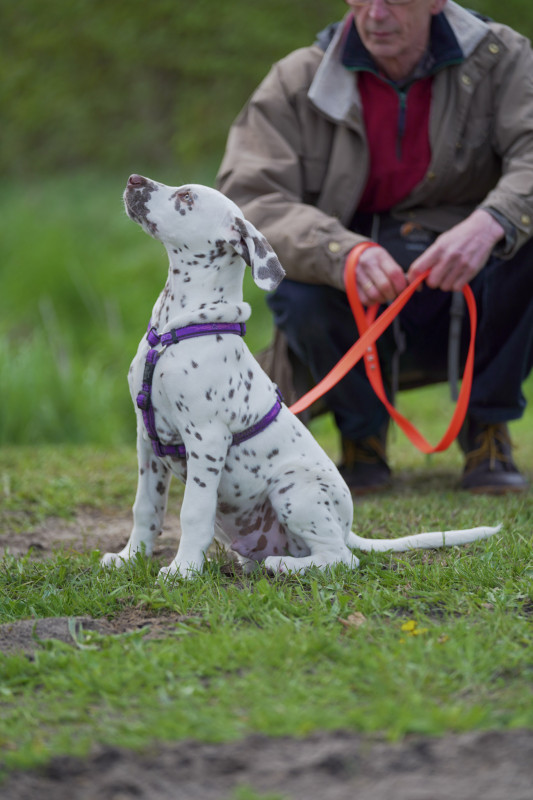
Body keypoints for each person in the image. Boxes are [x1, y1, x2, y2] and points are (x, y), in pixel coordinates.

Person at [217, 0, 533, 494]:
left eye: (396, 0)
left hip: (472, 273)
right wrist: (340, 252)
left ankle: (487, 430)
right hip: (354, 286)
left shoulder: (504, 58)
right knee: (295, 282)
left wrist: (492, 222)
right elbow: (249, 199)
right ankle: (361, 439)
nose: (376, 14)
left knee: (525, 240)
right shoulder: (296, 78)